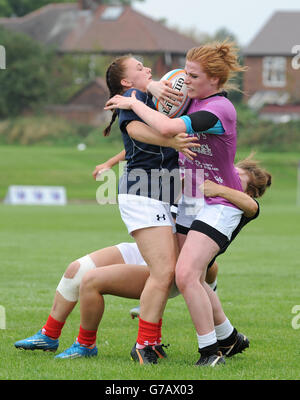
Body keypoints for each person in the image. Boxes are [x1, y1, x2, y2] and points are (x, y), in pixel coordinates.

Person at [14, 157, 271, 363]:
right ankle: (48, 335)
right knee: (77, 269)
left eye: (237, 179)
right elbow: (154, 142)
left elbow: (248, 211)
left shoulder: (230, 209)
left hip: (165, 268)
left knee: (91, 282)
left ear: (247, 190)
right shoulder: (201, 187)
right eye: (231, 172)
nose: (227, 178)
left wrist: (218, 189)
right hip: (149, 250)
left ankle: (86, 345)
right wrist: (112, 163)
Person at [105, 40, 257, 366]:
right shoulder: (193, 98)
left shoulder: (216, 108)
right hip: (190, 201)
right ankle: (228, 338)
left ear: (213, 81)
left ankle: (210, 353)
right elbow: (156, 110)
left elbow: (167, 127)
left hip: (219, 201)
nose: (185, 80)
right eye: (185, 73)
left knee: (186, 274)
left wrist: (133, 103)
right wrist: (152, 88)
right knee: (191, 276)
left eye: (193, 75)